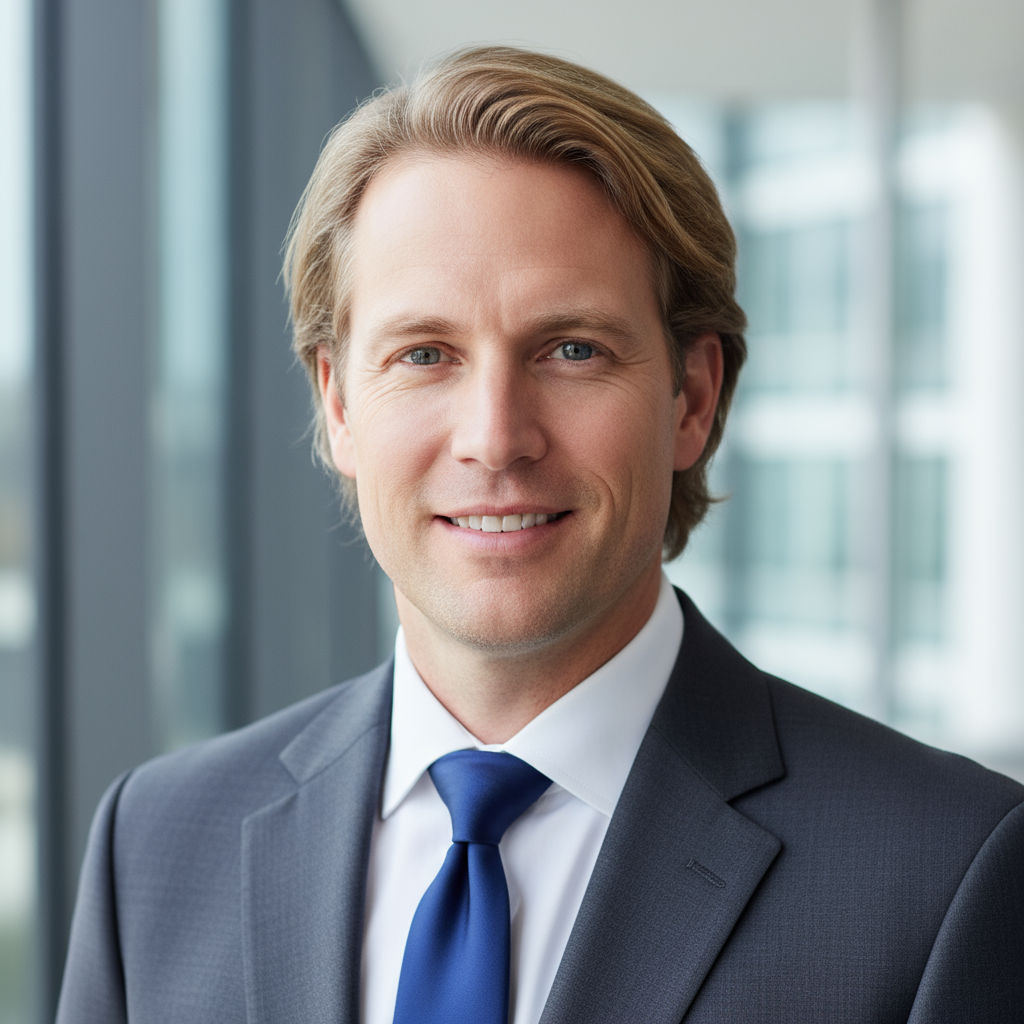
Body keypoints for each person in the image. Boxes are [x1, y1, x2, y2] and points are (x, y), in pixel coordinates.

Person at [57, 46, 1023, 1024]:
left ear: (691, 397)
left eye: (571, 349)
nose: (494, 437)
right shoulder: (155, 845)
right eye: (424, 354)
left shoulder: (945, 877)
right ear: (339, 403)